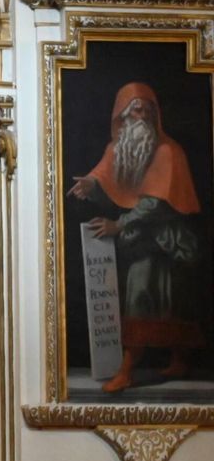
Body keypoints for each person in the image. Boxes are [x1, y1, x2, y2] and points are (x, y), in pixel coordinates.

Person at [67, 81, 203, 392]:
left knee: (151, 299)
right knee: (159, 301)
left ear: (155, 115)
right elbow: (105, 174)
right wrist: (91, 184)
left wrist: (119, 225)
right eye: (134, 109)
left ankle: (128, 369)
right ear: (122, 117)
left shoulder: (168, 151)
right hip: (140, 239)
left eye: (146, 109)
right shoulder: (119, 149)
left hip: (168, 242)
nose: (140, 114)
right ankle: (176, 360)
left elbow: (154, 204)